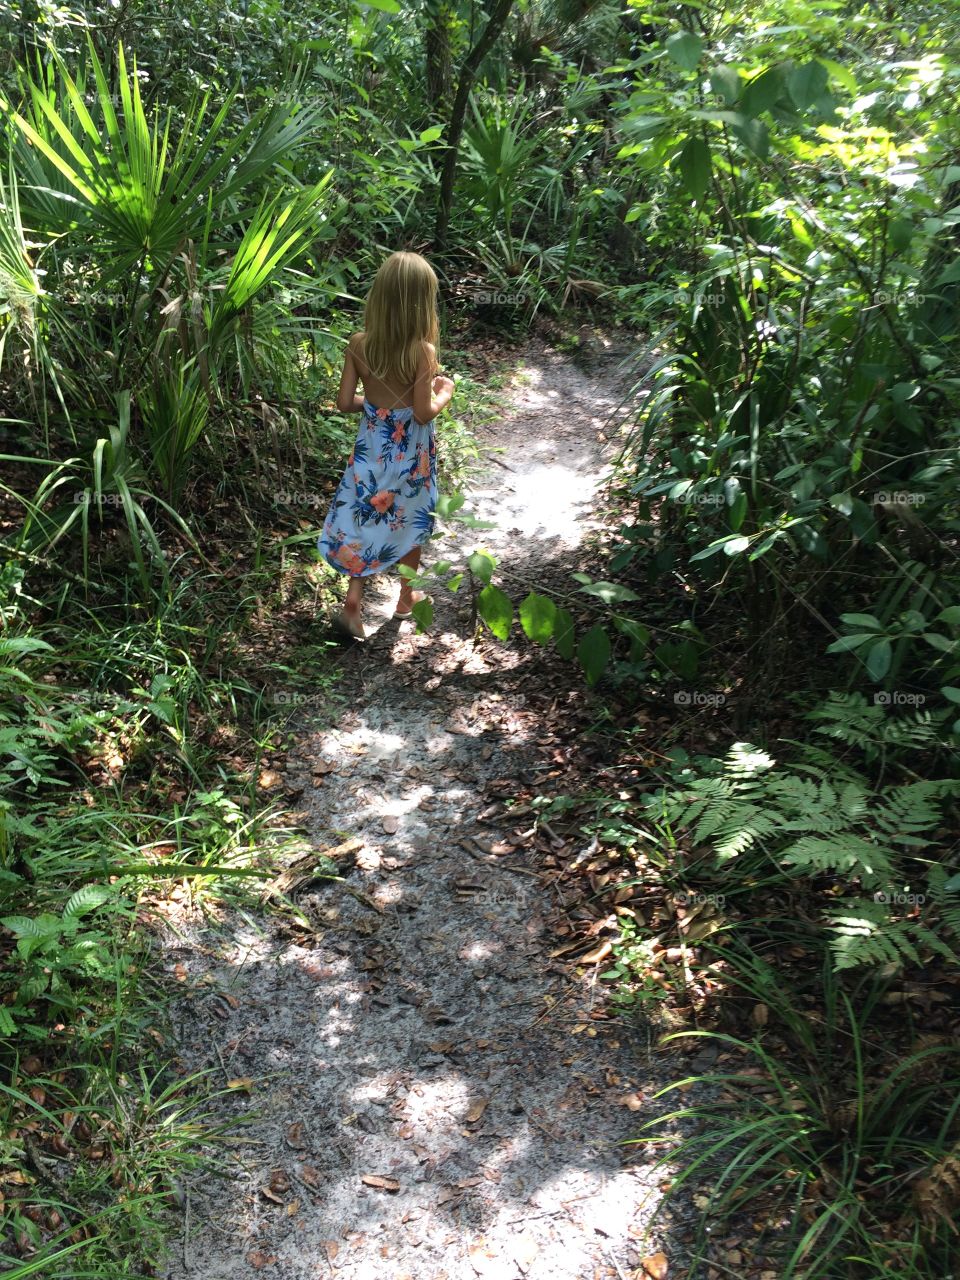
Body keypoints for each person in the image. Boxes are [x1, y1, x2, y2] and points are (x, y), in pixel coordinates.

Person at [318, 251, 456, 640]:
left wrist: (378, 410)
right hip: (410, 456)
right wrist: (446, 391)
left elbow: (346, 403)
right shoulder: (422, 352)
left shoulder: (359, 343)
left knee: (365, 518)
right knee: (411, 518)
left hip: (371, 450)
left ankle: (352, 606)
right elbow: (423, 413)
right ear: (420, 302)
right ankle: (405, 598)